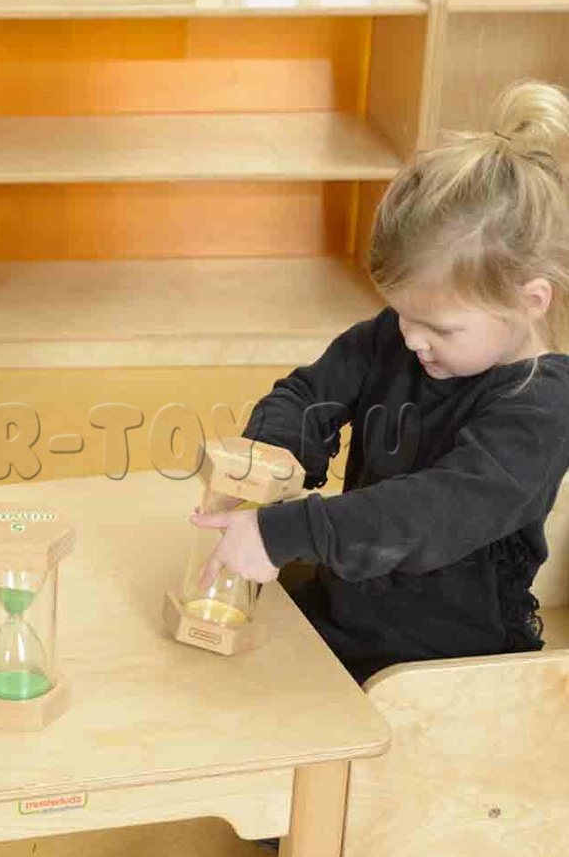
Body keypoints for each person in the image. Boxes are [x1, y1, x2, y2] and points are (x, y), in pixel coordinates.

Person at [193, 79, 569, 686]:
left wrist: (290, 530)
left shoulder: (542, 406)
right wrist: (270, 461)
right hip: (342, 623)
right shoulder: (396, 339)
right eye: (400, 313)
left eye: (439, 327)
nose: (412, 339)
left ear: (530, 301)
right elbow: (305, 396)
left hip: (450, 670)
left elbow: (435, 511)